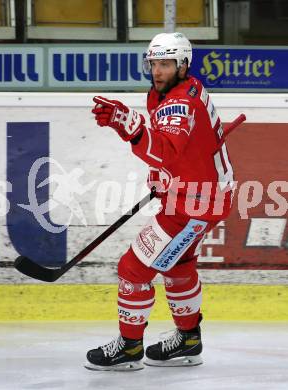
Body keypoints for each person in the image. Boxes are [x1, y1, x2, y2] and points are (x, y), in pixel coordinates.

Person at [85, 32, 235, 371]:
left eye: (166, 64)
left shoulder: (179, 103)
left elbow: (165, 148)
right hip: (202, 197)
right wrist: (166, 177)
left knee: (133, 269)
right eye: (153, 64)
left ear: (183, 65)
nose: (157, 71)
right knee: (178, 265)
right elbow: (177, 155)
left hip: (193, 205)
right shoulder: (171, 92)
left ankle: (129, 346)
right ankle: (188, 340)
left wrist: (130, 126)